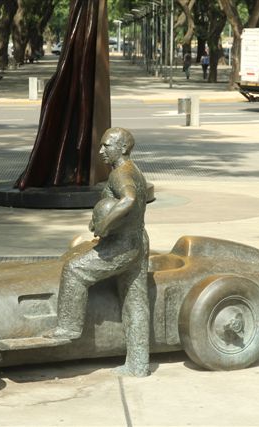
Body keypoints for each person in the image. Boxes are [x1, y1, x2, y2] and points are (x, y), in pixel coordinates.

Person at [44, 127, 150, 378]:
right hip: (138, 240)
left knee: (74, 270)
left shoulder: (120, 174)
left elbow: (129, 199)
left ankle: (67, 328)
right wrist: (102, 220)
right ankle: (138, 364)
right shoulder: (133, 169)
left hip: (122, 245)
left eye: (107, 146)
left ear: (122, 148)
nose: (101, 151)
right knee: (135, 302)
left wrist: (104, 225)